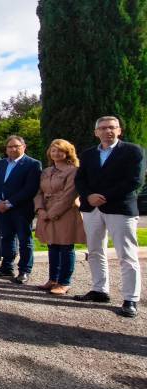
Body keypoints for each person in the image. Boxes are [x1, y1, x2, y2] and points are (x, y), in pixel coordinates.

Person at [74, 116, 145, 317]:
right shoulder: (88, 155)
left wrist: (103, 196)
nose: (108, 131)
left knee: (126, 254)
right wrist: (88, 196)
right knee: (95, 251)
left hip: (119, 208)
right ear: (96, 132)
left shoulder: (133, 151)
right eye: (103, 128)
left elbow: (134, 181)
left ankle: (131, 298)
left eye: (112, 127)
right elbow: (80, 179)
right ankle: (100, 289)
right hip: (92, 209)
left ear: (119, 130)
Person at [33, 139, 86, 296]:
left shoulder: (73, 171)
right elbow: (38, 192)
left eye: (60, 150)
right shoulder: (46, 171)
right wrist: (40, 209)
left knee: (66, 247)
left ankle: (64, 282)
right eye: (53, 150)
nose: (56, 153)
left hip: (66, 213)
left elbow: (69, 194)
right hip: (46, 211)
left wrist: (52, 213)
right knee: (52, 246)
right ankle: (53, 279)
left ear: (67, 152)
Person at [0, 135, 42, 284]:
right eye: (9, 147)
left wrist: (10, 203)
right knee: (7, 238)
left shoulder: (33, 164)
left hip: (21, 209)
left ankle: (24, 270)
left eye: (16, 146)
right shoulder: (1, 164)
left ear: (23, 147)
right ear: (6, 149)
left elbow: (30, 189)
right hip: (1, 209)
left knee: (25, 240)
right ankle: (7, 267)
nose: (13, 149)